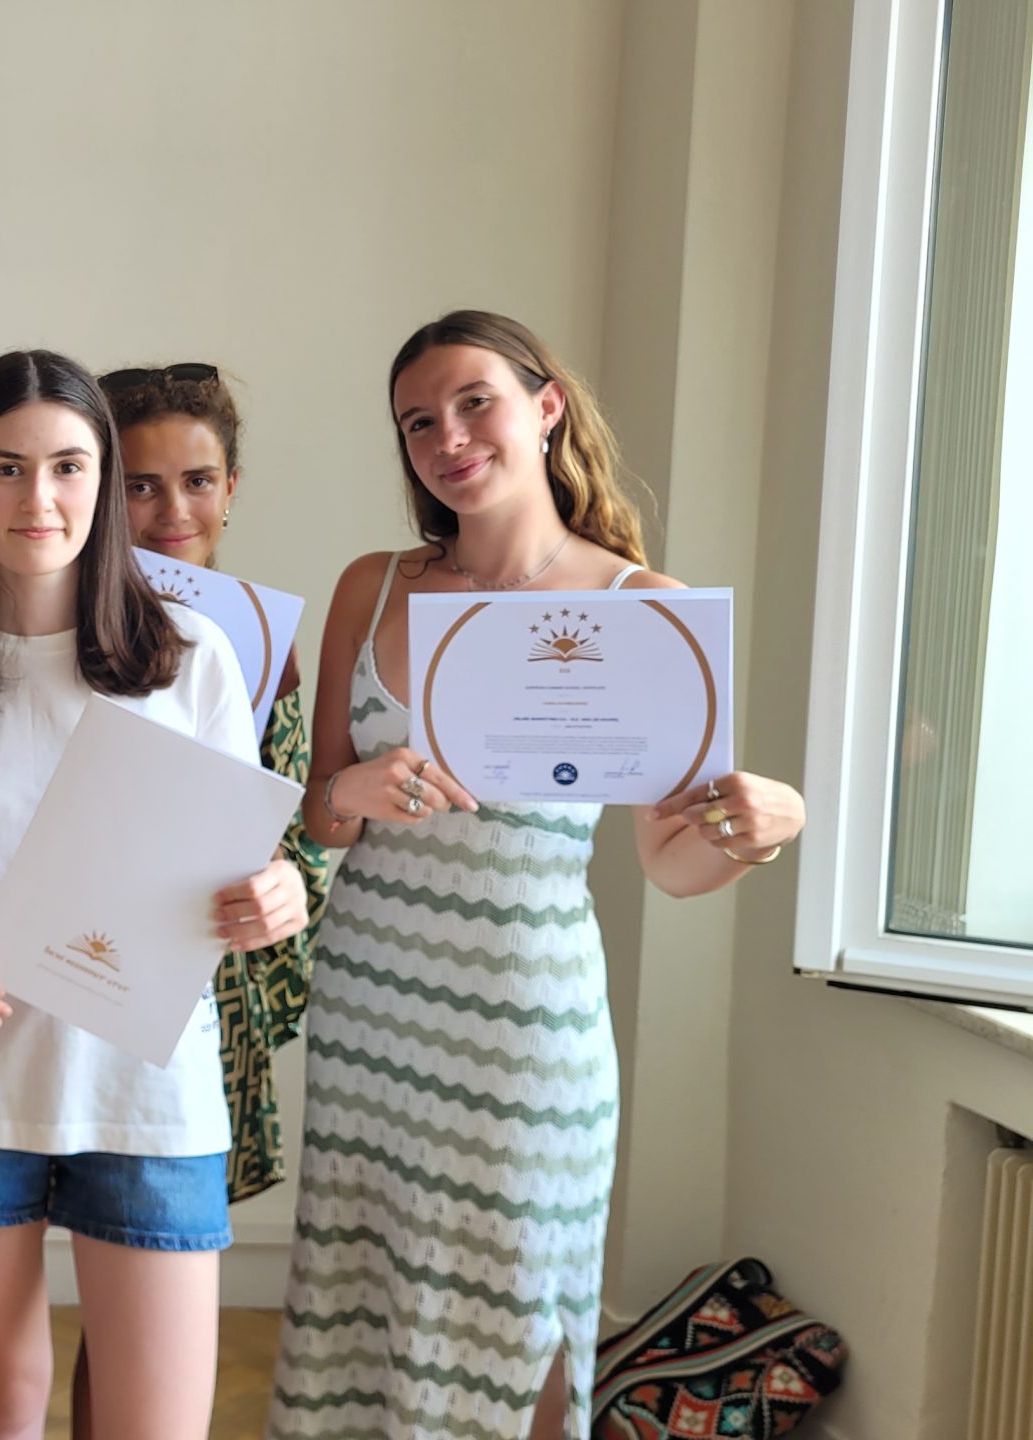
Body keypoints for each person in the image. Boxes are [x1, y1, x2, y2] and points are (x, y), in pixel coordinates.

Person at [266, 310, 807, 1440]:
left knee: (518, 1315)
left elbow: (670, 861)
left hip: (524, 1028)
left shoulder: (645, 607)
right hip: (370, 1011)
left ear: (546, 405)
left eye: (475, 403)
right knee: (362, 1295)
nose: (448, 437)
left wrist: (760, 829)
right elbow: (320, 816)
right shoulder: (372, 586)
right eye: (419, 422)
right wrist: (350, 791)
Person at [0, 350, 309, 1439]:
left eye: (67, 466)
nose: (38, 498)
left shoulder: (191, 657)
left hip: (146, 1087)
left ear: (103, 481)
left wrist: (278, 890)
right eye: (6, 468)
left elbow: (243, 867)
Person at [104, 361, 332, 1203]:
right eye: (141, 486)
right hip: (66, 956)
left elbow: (295, 830)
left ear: (230, 488)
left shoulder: (264, 642)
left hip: (202, 970)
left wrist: (284, 886)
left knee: (163, 1232)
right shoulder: (40, 623)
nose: (173, 511)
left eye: (197, 481)